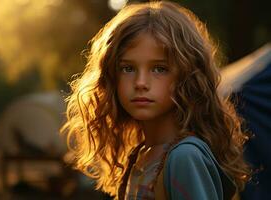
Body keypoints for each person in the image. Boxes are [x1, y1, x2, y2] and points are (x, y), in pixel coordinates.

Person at [61, 1, 250, 199]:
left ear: (188, 77)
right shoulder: (142, 155)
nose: (141, 83)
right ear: (110, 77)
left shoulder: (184, 157)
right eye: (128, 68)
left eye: (160, 69)